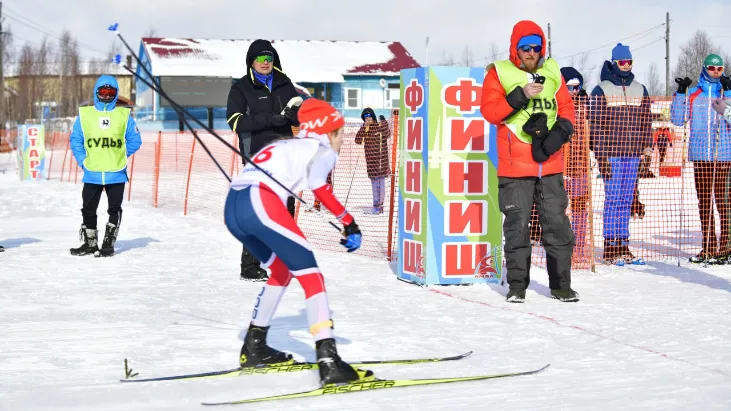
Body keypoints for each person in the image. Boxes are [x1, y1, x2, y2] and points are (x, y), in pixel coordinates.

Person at [224, 98, 371, 386]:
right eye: (340, 133)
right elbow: (319, 186)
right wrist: (349, 222)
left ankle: (254, 346)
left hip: (233, 208)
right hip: (259, 202)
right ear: (329, 131)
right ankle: (329, 361)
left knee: (281, 271)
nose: (341, 141)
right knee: (312, 275)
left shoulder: (283, 144)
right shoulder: (321, 148)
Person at [480, 20, 579, 303]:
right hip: (515, 167)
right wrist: (519, 96)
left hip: (550, 163)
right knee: (517, 227)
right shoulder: (500, 73)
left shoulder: (552, 71)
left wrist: (562, 131)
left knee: (558, 227)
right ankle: (517, 287)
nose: (531, 52)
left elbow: (567, 107)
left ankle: (561, 286)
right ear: (515, 49)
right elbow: (489, 111)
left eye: (536, 47)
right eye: (525, 47)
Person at [226, 39, 301, 281]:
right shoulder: (241, 88)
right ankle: (249, 267)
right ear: (252, 62)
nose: (265, 63)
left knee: (285, 209)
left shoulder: (284, 83)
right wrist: (273, 119)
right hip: (256, 157)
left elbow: (298, 117)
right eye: (261, 59)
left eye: (269, 59)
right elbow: (236, 121)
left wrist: (298, 114)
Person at [589, 43, 652, 265]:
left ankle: (624, 244)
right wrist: (601, 156)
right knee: (613, 199)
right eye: (622, 62)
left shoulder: (640, 89)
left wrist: (647, 151)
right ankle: (610, 245)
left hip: (633, 154)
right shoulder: (601, 89)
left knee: (627, 200)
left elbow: (646, 123)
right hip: (612, 154)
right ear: (614, 63)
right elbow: (595, 125)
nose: (626, 66)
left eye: (629, 62)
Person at [69, 75, 142, 257]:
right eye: (103, 92)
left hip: (116, 172)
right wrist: (82, 160)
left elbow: (135, 140)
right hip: (92, 171)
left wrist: (122, 154)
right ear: (97, 92)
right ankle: (90, 243)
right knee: (88, 209)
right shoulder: (85, 115)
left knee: (114, 209)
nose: (107, 96)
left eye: (111, 92)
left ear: (116, 94)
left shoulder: (124, 115)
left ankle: (108, 244)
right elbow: (76, 140)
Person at [672, 54, 731, 264]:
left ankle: (725, 247)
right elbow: (678, 119)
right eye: (712, 68)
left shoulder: (725, 90)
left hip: (723, 155)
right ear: (704, 68)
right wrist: (680, 93)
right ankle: (707, 247)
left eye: (719, 68)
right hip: (701, 156)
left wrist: (729, 92)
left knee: (724, 203)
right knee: (704, 202)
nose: (716, 71)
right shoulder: (694, 93)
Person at [561, 66, 591, 263]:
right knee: (560, 208)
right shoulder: (556, 105)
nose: (573, 92)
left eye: (576, 87)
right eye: (569, 87)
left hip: (579, 165)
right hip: (559, 166)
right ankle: (561, 247)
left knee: (580, 207)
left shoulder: (584, 105)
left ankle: (579, 245)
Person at [355, 107, 391, 214]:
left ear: (373, 116)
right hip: (371, 163)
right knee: (374, 184)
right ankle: (376, 205)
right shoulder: (365, 129)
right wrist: (363, 128)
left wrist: (384, 121)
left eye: (369, 116)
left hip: (381, 161)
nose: (367, 119)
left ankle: (380, 206)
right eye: (365, 117)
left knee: (381, 183)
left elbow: (388, 134)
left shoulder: (379, 126)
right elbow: (357, 140)